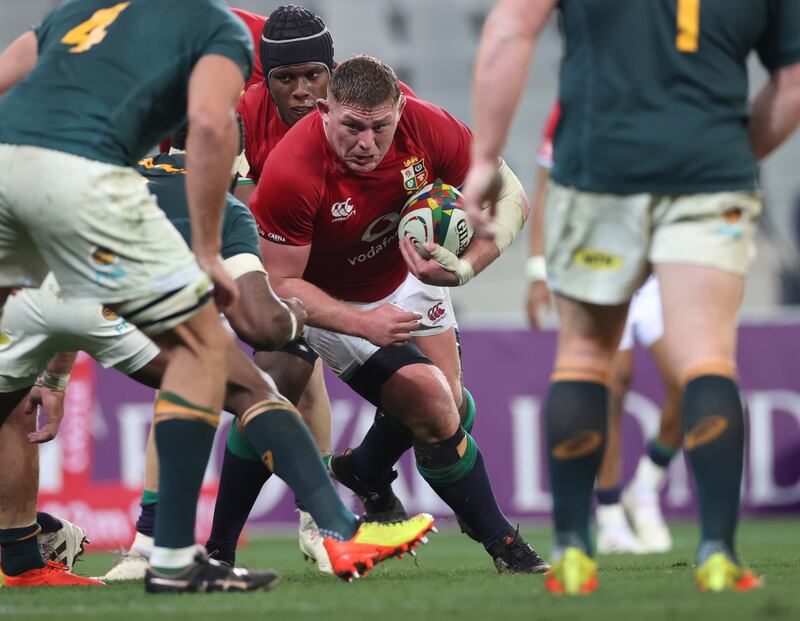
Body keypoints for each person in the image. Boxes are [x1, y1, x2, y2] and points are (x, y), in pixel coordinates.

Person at [0, 0, 431, 592]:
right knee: (236, 377)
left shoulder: (75, 14)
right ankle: (330, 530)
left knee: (11, 392)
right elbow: (210, 128)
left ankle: (54, 558)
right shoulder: (215, 37)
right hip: (89, 204)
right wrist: (266, 293)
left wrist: (50, 380)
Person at [465, 0, 800, 594]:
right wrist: (729, 158)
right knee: (707, 358)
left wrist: (485, 157)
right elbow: (792, 79)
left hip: (599, 167)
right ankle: (718, 554)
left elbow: (512, 25)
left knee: (585, 355)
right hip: (711, 172)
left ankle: (572, 555)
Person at [250, 54, 545, 576]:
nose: (366, 143)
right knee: (433, 404)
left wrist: (465, 269)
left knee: (452, 408)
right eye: (352, 128)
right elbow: (279, 283)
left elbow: (514, 196)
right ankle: (504, 543)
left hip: (408, 272)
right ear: (323, 111)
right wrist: (364, 323)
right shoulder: (291, 170)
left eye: (380, 128)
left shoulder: (428, 126)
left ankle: (364, 469)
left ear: (400, 111)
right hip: (330, 297)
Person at [526, 104, 682, 555]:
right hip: (601, 261)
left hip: (659, 266)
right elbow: (547, 191)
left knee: (690, 383)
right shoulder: (570, 105)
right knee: (612, 383)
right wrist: (538, 270)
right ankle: (611, 514)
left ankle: (646, 487)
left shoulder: (667, 92)